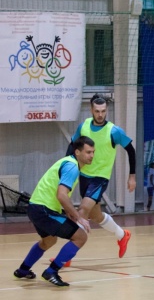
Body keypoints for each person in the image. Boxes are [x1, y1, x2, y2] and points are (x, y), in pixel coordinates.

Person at [13, 136, 95, 287]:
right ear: (77, 152)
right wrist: (79, 217)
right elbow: (61, 195)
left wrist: (69, 211)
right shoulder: (72, 167)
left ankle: (23, 270)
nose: (91, 156)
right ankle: (51, 271)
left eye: (93, 152)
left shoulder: (67, 162)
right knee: (80, 237)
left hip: (36, 207)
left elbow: (59, 195)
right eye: (88, 152)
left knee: (49, 240)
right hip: (44, 209)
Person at [61, 94, 135, 261]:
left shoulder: (114, 131)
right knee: (96, 216)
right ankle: (122, 235)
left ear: (106, 110)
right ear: (91, 110)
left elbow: (131, 151)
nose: (100, 114)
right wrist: (66, 167)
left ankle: (65, 257)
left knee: (82, 211)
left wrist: (132, 176)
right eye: (97, 111)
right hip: (84, 176)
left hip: (100, 178)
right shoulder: (84, 126)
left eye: (103, 111)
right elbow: (72, 146)